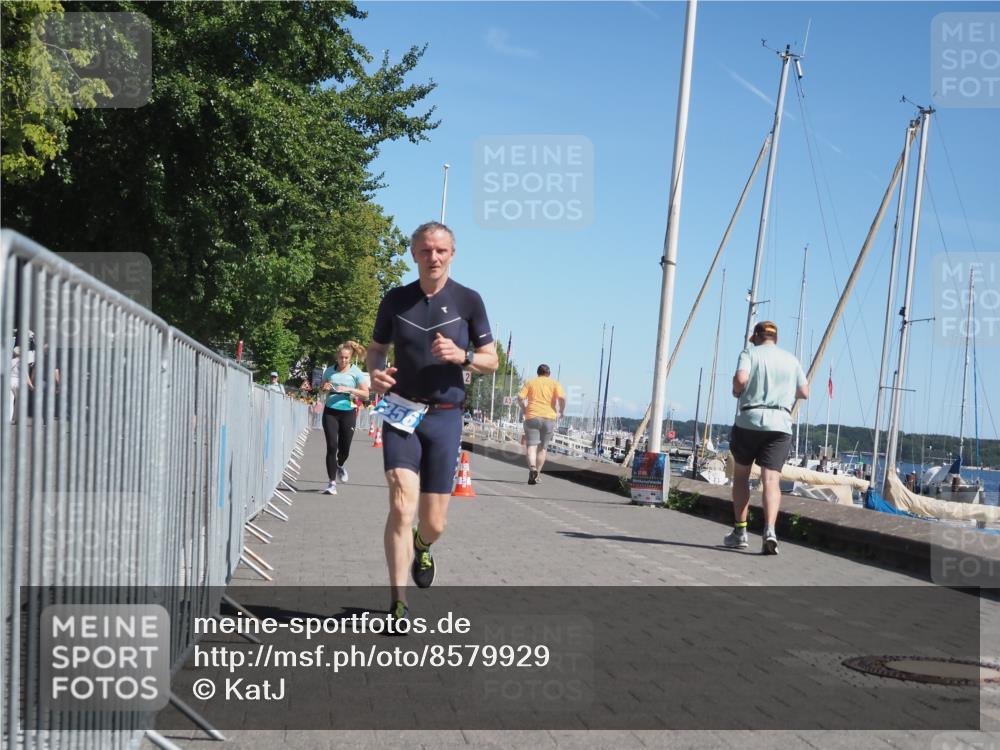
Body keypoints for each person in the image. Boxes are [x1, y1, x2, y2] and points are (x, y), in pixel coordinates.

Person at [366, 222, 498, 623]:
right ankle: (397, 602)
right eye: (425, 250)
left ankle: (423, 546)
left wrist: (463, 356)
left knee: (434, 521)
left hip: (445, 417)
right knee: (401, 502)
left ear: (452, 254)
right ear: (414, 254)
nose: (433, 257)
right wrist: (375, 373)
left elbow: (490, 360)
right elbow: (375, 350)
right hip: (402, 410)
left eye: (441, 250)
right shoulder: (395, 300)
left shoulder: (469, 300)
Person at [725, 321, 809, 555]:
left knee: (741, 476)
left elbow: (741, 380)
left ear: (756, 337)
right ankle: (770, 530)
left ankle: (740, 532)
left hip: (750, 420)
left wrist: (736, 390)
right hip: (780, 424)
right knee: (771, 481)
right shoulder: (791, 360)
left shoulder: (749, 353)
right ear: (775, 339)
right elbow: (804, 391)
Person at [319, 342, 369, 495]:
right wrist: (324, 388)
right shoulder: (329, 371)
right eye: (341, 357)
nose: (343, 360)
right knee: (332, 446)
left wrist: (347, 389)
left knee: (344, 449)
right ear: (337, 356)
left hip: (348, 412)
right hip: (330, 412)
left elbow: (366, 394)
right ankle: (331, 483)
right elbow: (321, 391)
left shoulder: (356, 372)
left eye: (346, 358)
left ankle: (340, 464)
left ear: (351, 357)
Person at [517, 364, 566, 485]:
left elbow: (519, 397)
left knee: (531, 446)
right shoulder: (555, 384)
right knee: (543, 448)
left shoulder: (530, 383)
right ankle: (537, 474)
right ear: (548, 374)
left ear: (537, 373)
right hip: (549, 418)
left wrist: (524, 409)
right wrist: (561, 411)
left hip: (532, 416)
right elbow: (562, 398)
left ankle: (532, 468)